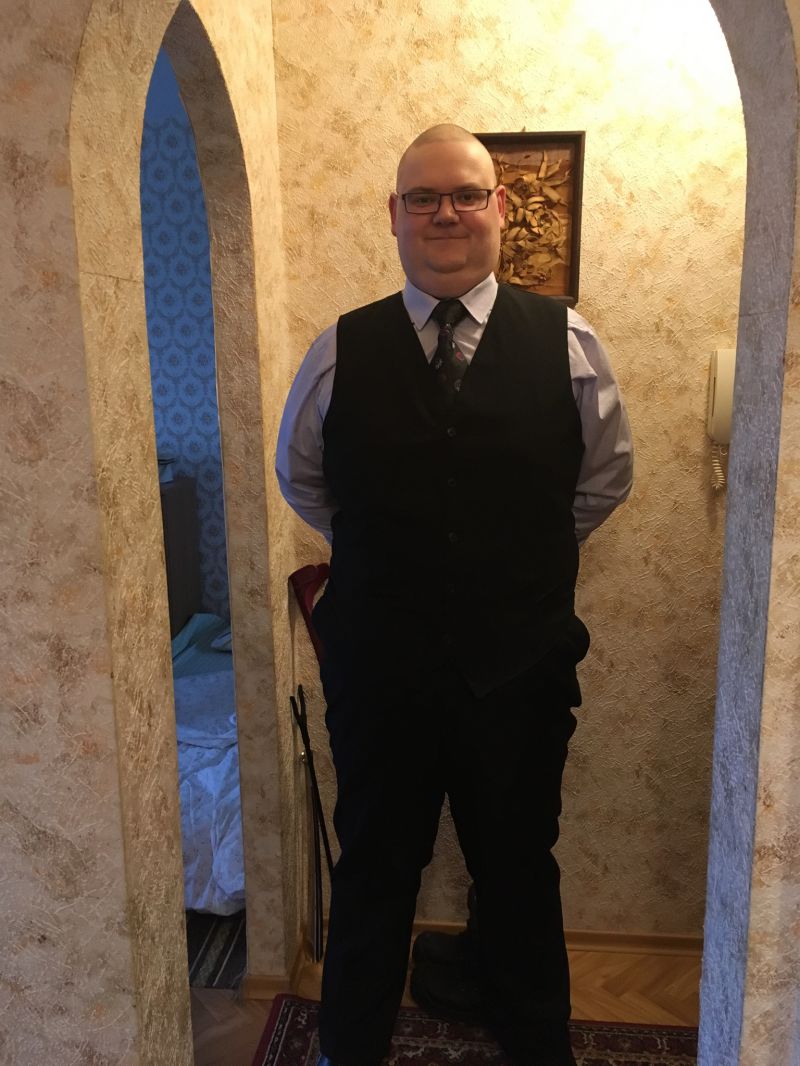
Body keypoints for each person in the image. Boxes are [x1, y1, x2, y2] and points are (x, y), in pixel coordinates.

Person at [276, 124, 633, 1066]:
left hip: (518, 675)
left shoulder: (570, 344)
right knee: (374, 874)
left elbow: (602, 484)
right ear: (393, 215)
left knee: (518, 873)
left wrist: (513, 562)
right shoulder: (339, 349)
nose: (446, 213)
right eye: (424, 197)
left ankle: (535, 1047)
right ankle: (349, 1049)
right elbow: (305, 483)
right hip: (380, 673)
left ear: (500, 210)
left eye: (467, 194)